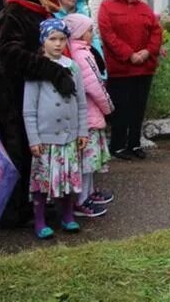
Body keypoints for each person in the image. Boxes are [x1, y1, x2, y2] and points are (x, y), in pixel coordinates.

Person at [23, 19, 88, 239]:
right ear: (43, 42)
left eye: (62, 39)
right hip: (46, 140)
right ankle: (40, 220)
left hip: (69, 138)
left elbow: (81, 102)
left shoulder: (73, 67)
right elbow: (29, 109)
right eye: (52, 39)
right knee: (42, 183)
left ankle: (67, 215)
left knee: (68, 180)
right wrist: (34, 139)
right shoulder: (36, 69)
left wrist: (82, 132)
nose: (58, 44)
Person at [98, 0, 163, 160]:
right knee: (121, 108)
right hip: (121, 68)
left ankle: (134, 144)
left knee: (138, 107)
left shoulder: (143, 8)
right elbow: (108, 35)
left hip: (144, 67)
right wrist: (129, 54)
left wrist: (146, 52)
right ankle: (117, 146)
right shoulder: (107, 7)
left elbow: (156, 32)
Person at [63, 13, 114, 218]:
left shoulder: (78, 51)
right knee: (87, 161)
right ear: (79, 33)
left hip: (88, 113)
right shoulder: (82, 54)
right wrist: (108, 107)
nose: (92, 34)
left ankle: (89, 193)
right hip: (90, 114)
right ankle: (82, 201)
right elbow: (95, 85)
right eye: (89, 30)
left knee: (90, 160)